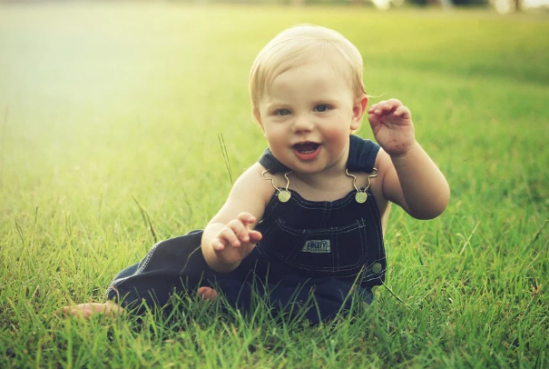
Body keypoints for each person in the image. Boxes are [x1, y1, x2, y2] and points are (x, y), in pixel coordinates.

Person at [63, 24, 450, 323]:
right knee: (185, 250)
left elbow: (429, 206)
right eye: (283, 112)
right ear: (260, 120)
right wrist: (223, 248)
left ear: (354, 112)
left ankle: (226, 303)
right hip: (257, 272)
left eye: (321, 108)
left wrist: (406, 152)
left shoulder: (376, 167)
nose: (302, 124)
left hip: (331, 288)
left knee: (344, 304)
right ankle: (126, 303)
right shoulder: (265, 178)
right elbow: (221, 224)